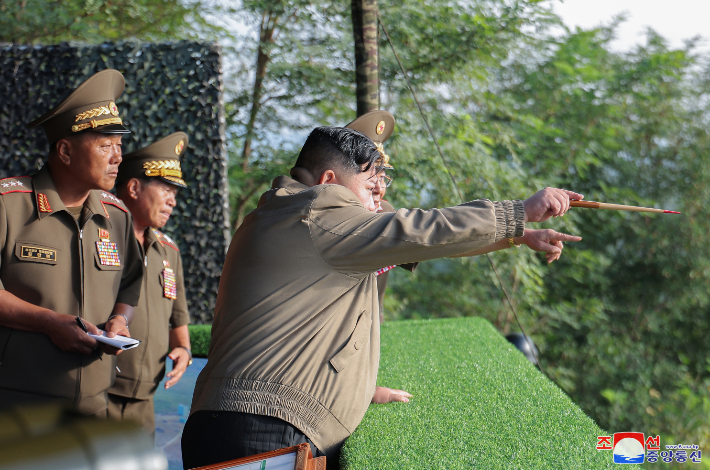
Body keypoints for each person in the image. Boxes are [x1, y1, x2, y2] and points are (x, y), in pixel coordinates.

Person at [181, 126, 582, 469]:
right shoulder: (316, 212)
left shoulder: (284, 215)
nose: (378, 201)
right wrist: (519, 211)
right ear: (327, 182)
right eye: (371, 187)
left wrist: (516, 234)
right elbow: (418, 231)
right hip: (262, 431)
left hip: (244, 426)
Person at [0, 69, 143, 416]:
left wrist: (120, 321)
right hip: (17, 406)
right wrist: (47, 322)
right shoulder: (9, 205)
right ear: (64, 150)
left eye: (119, 145)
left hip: (94, 408)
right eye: (105, 144)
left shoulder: (117, 216)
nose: (118, 157)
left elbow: (130, 285)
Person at [108, 132, 192, 435]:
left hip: (144, 402)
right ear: (133, 187)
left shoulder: (169, 251)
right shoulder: (96, 235)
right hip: (96, 393)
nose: (172, 200)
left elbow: (177, 318)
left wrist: (183, 349)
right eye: (166, 188)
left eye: (175, 191)